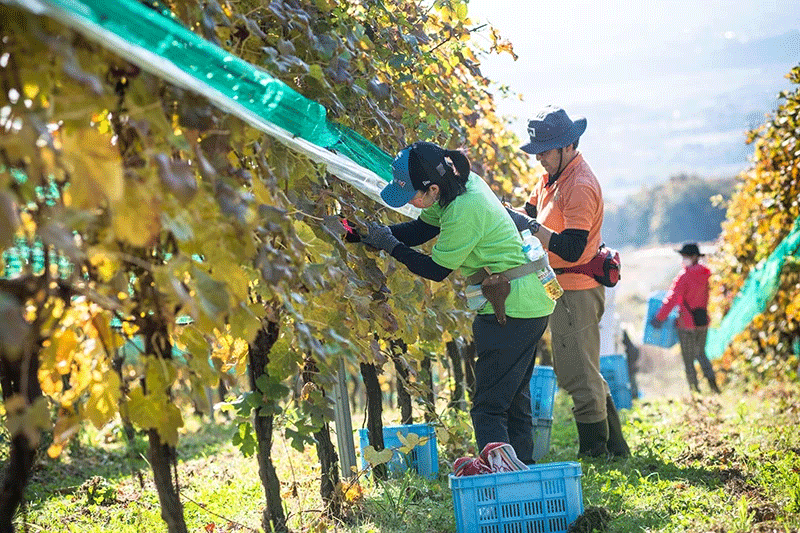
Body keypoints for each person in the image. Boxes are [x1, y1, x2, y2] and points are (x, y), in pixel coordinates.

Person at [351, 141, 555, 465]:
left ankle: (500, 481)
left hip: (512, 308)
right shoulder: (457, 185)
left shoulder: (465, 209)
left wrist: (388, 245)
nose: (413, 203)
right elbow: (421, 228)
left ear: (432, 188)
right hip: (528, 301)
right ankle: (522, 473)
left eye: (414, 196)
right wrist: (372, 235)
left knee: (488, 406)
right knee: (513, 398)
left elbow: (434, 270)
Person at [505, 105, 631, 459]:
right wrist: (509, 215)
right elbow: (531, 212)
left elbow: (573, 249)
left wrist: (530, 228)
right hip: (557, 286)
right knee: (580, 367)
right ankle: (616, 447)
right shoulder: (552, 176)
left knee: (578, 374)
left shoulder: (579, 186)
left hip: (576, 288)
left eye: (544, 151)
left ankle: (595, 450)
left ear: (566, 147)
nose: (538, 159)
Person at [650, 243, 720, 394]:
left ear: (694, 257)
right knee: (701, 354)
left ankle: (695, 392)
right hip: (702, 322)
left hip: (686, 324)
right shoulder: (706, 274)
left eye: (685, 256)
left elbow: (672, 299)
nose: (683, 259)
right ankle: (714, 386)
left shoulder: (684, 276)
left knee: (688, 360)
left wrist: (659, 318)